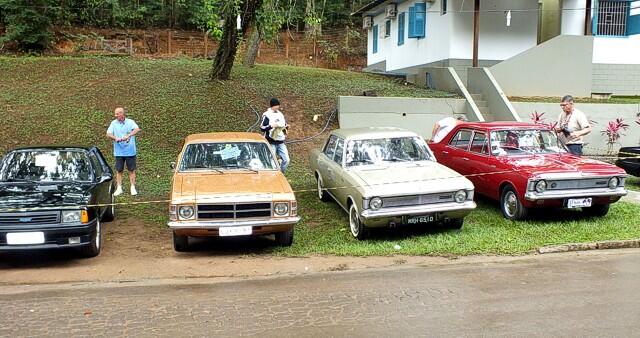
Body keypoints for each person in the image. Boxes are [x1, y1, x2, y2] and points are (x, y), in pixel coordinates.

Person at [106, 107, 141, 196]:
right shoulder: (113, 123)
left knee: (131, 170)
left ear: (122, 113)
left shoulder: (130, 122)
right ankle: (119, 188)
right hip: (119, 152)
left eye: (117, 114)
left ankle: (132, 187)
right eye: (115, 114)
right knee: (119, 170)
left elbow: (137, 129)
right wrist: (115, 138)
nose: (116, 115)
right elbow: (108, 134)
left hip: (130, 151)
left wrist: (128, 135)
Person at [260, 98, 290, 173]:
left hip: (280, 142)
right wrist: (271, 126)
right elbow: (262, 128)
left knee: (286, 160)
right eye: (276, 106)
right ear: (272, 106)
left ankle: (281, 173)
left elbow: (283, 124)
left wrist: (286, 129)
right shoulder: (267, 115)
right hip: (271, 142)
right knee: (271, 162)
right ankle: (273, 175)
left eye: (278, 106)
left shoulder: (280, 114)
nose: (278, 108)